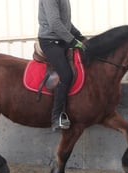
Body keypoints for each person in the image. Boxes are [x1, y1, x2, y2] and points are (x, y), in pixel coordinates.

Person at [38, 0, 87, 131]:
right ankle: (56, 117)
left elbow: (65, 22)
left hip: (61, 40)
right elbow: (55, 23)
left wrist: (80, 36)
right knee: (66, 75)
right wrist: (72, 40)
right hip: (49, 41)